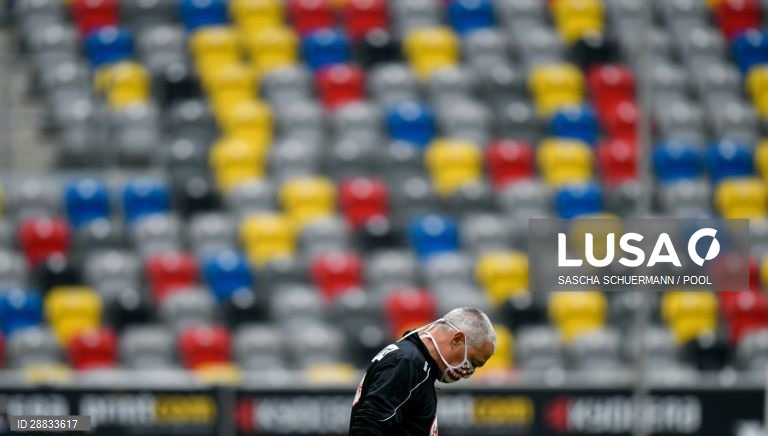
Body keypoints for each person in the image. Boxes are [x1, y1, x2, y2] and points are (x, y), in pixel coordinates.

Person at [349, 307, 496, 435]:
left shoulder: (417, 364)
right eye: (473, 362)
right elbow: (368, 424)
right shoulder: (408, 362)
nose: (468, 373)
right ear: (457, 339)